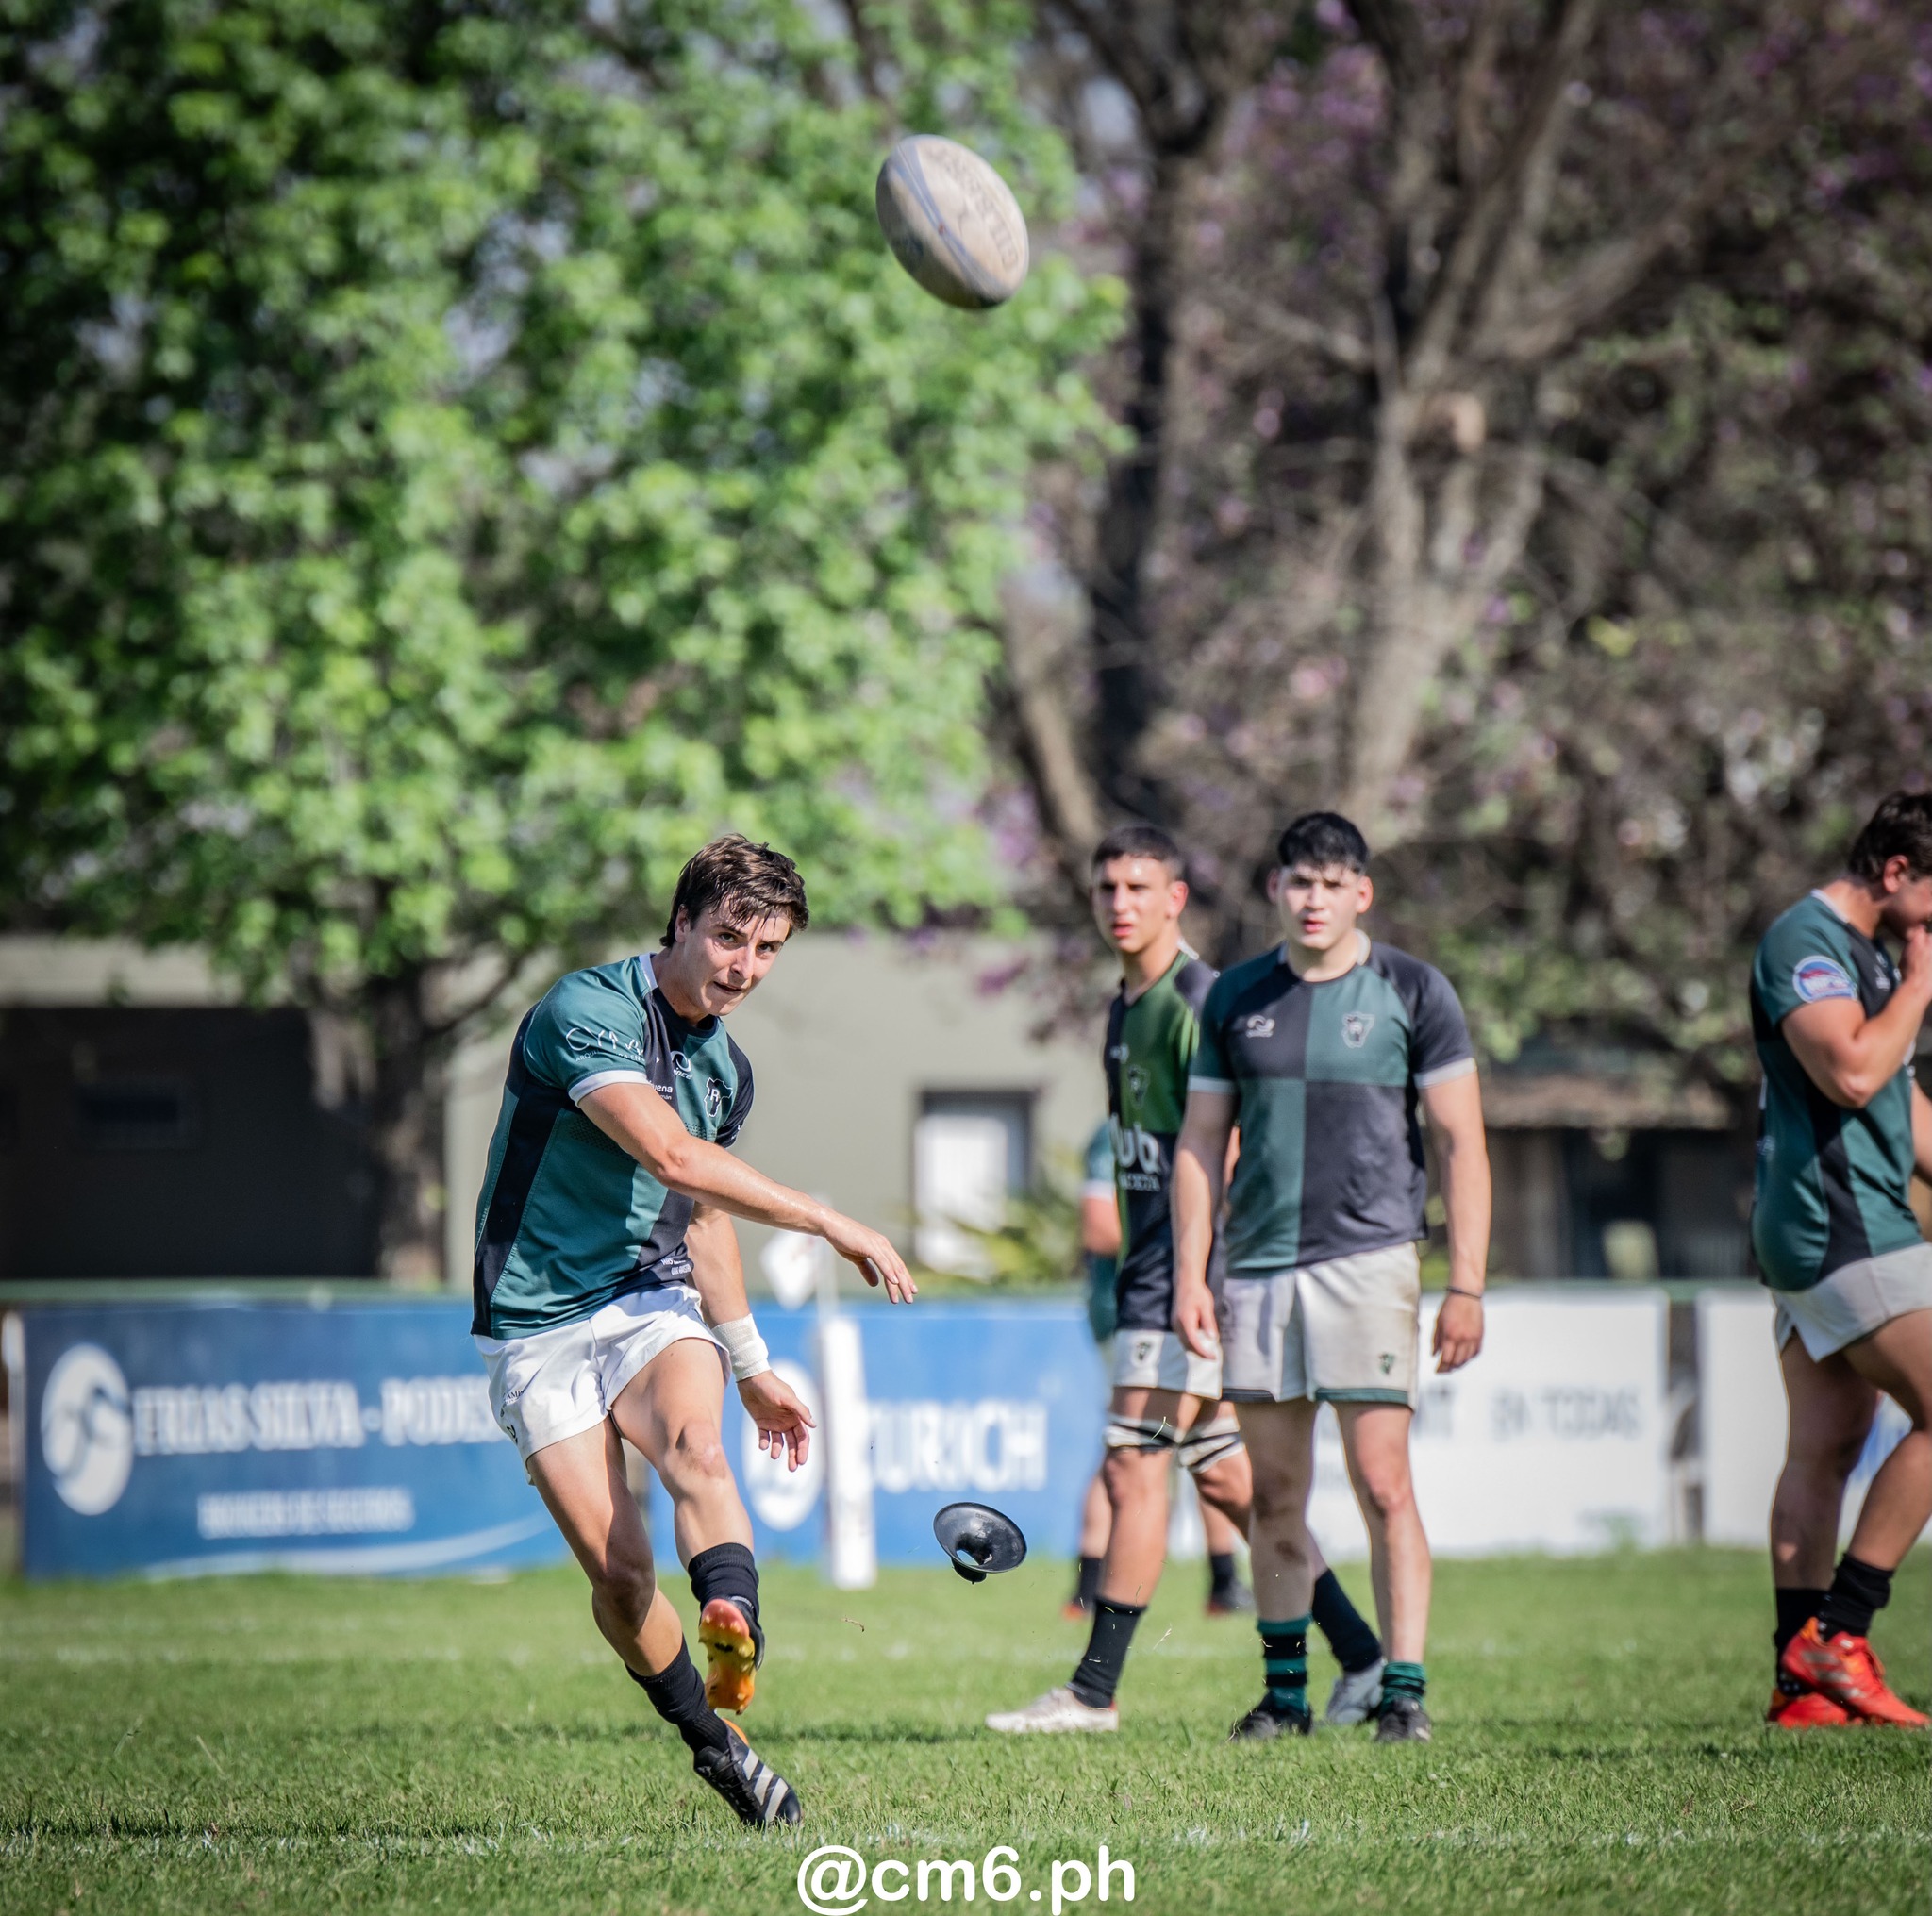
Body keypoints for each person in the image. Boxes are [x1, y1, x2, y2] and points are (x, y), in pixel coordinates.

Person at [469, 835, 916, 1826]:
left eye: (768, 950)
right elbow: (671, 1157)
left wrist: (751, 1365)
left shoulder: (724, 1067)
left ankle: (732, 1623)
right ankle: (717, 1746)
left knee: (698, 1451)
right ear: (680, 922)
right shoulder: (586, 1011)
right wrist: (828, 1219)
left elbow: (703, 1217)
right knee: (622, 1574)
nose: (745, 967)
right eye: (728, 938)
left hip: (647, 1294)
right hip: (535, 1319)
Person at [990, 824, 1382, 1735]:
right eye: (1106, 888)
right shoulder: (1126, 1005)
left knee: (1132, 1465)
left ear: (1176, 898)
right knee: (1233, 1485)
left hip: (1184, 1279)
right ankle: (1362, 1655)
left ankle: (1093, 1692)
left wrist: (1199, 1278)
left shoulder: (1195, 1000)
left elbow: (1229, 1146)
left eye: (1140, 887)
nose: (1119, 903)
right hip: (1151, 1272)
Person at [1173, 811, 1491, 1745]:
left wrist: (1466, 1285)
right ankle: (1285, 1696)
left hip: (1370, 1264)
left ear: (1362, 893)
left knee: (1384, 1486)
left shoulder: (1413, 989)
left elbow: (1462, 1142)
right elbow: (1199, 1141)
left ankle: (1403, 1691)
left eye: (1332, 883)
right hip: (1257, 1268)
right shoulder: (1233, 996)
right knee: (1272, 1495)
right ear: (1276, 889)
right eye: (1298, 881)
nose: (1313, 899)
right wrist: (1192, 1273)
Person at [1752, 791, 1932, 1729]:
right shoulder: (1807, 941)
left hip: (1832, 1222)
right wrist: (1918, 989)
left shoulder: (1872, 956)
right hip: (1840, 1222)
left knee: (1821, 1448)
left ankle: (1801, 1688)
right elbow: (1853, 1072)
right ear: (1895, 871)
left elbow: (1902, 1112)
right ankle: (1841, 1630)